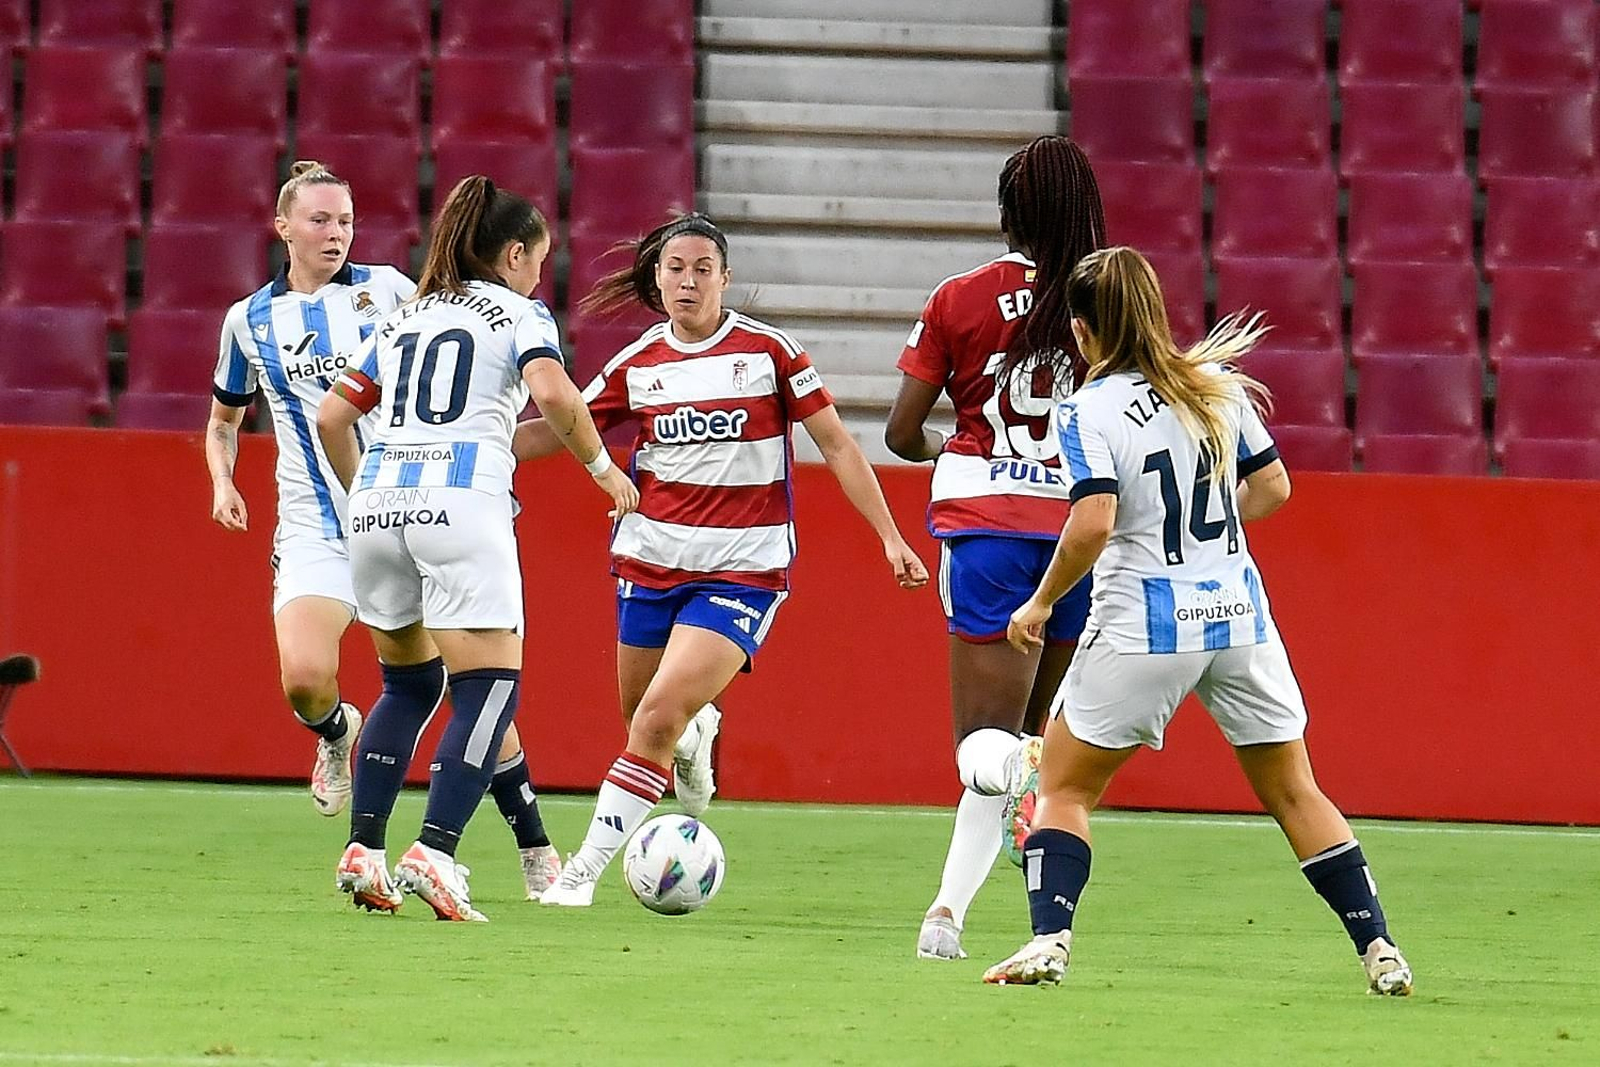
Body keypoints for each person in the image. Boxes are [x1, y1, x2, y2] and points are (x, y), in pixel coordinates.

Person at [981, 247, 1412, 996]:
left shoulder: (1087, 408)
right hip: (1239, 616)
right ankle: (1379, 947)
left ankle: (1049, 938)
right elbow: (1273, 486)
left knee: (1062, 786)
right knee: (1295, 791)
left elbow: (1092, 522)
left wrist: (1042, 599)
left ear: (1083, 332)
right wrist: (1210, 543)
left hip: (1146, 624)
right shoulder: (1214, 384)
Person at [514, 212, 928, 907]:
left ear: (725, 278)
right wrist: (474, 442)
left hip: (743, 567)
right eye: (675, 267)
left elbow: (837, 444)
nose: (688, 280)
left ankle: (580, 874)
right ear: (657, 277)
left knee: (652, 722)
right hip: (649, 563)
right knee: (647, 718)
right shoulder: (639, 363)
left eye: (703, 268)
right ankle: (700, 726)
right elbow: (562, 429)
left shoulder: (769, 352)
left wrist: (889, 534)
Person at [206, 162, 565, 903]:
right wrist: (221, 478)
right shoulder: (250, 319)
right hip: (321, 520)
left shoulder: (394, 293)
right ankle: (340, 739)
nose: (334, 232)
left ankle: (530, 844)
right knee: (326, 678)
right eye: (318, 220)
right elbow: (223, 420)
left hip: (390, 502)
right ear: (283, 227)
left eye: (344, 220)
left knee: (443, 683)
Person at [317, 176, 638, 921]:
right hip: (460, 497)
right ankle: (436, 850)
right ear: (516, 253)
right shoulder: (519, 313)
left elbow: (335, 415)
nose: (540, 276)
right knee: (489, 689)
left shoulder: (405, 316)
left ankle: (365, 848)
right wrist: (601, 467)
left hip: (378, 501)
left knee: (406, 688)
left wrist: (366, 488)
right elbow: (556, 396)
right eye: (539, 260)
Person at [885, 136, 1107, 961]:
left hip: (989, 527)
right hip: (1085, 533)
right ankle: (1026, 903)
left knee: (985, 746)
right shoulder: (1110, 297)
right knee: (1042, 739)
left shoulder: (961, 296)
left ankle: (945, 912)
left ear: (1008, 213)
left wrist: (958, 443)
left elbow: (902, 431)